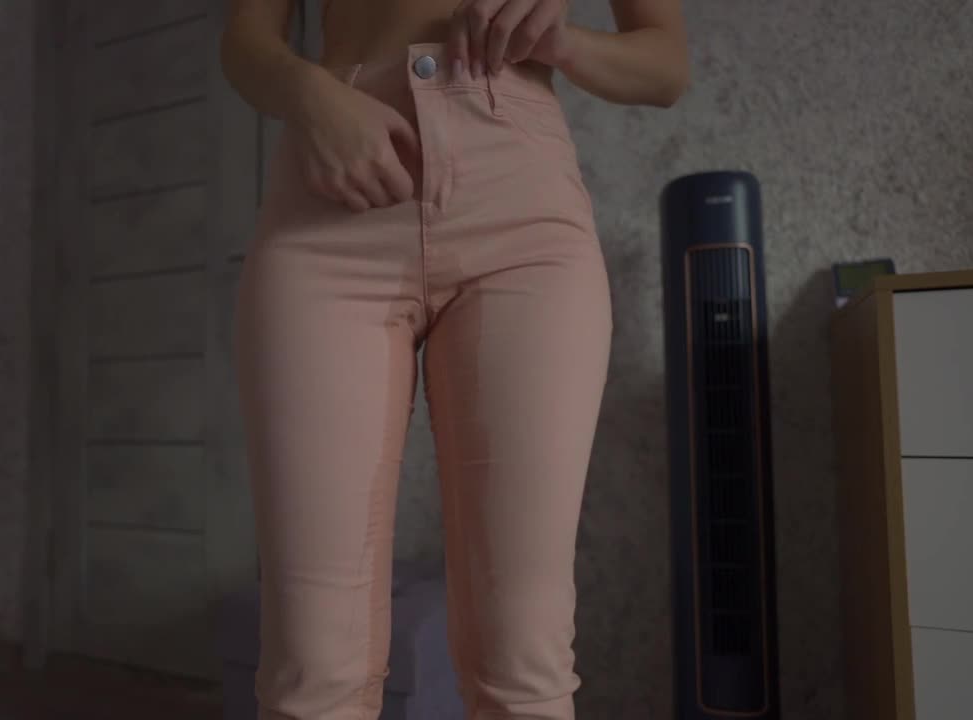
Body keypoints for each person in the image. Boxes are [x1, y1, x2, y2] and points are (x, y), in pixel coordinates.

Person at [220, 0, 688, 717]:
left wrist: (560, 41)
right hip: (333, 191)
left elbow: (665, 66)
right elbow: (246, 42)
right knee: (312, 667)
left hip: (520, 211)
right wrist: (309, 92)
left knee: (523, 659)